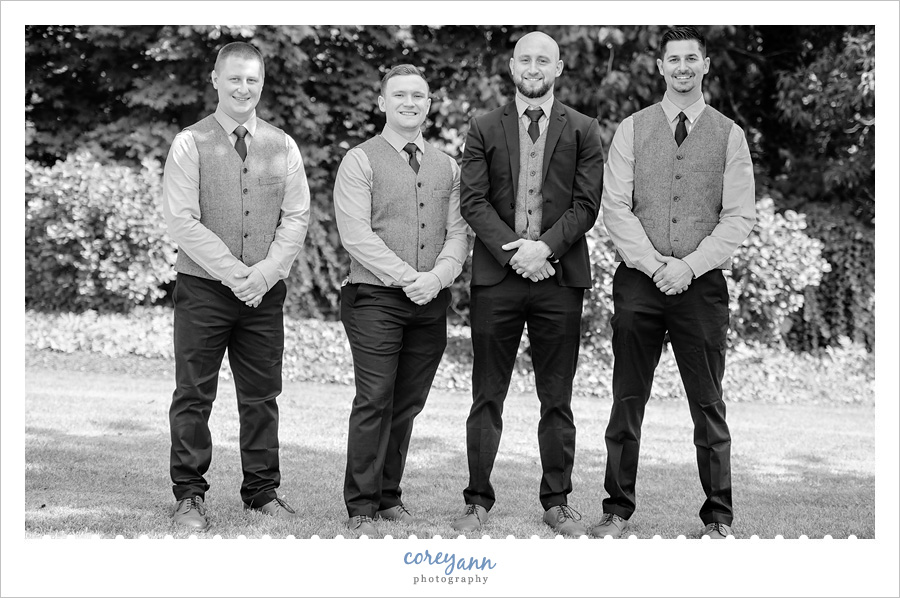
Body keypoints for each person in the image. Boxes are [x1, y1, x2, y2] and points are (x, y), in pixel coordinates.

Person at [592, 26, 756, 539]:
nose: (682, 67)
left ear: (706, 64)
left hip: (702, 286)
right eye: (673, 60)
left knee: (708, 405)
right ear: (660, 68)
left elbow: (738, 217)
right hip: (640, 282)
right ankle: (616, 510)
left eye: (692, 59)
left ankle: (718, 517)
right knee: (626, 400)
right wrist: (655, 263)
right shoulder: (632, 130)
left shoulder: (730, 135)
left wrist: (689, 265)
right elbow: (615, 206)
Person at [450, 31, 604, 537]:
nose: (533, 66)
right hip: (498, 278)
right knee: (486, 394)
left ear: (558, 68)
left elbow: (587, 204)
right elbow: (472, 201)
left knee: (556, 397)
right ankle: (477, 500)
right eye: (525, 59)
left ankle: (557, 501)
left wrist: (546, 250)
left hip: (559, 279)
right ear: (511, 66)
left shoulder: (583, 128)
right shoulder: (483, 125)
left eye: (544, 59)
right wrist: (518, 254)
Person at [162, 41, 310, 530]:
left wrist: (264, 274)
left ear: (261, 84)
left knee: (262, 396)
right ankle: (189, 495)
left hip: (264, 293)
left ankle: (262, 492)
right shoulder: (190, 142)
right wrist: (234, 272)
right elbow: (182, 221)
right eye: (234, 78)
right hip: (203, 288)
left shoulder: (283, 145)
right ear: (215, 80)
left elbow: (296, 216)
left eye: (252, 80)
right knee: (193, 394)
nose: (243, 88)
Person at [333, 64, 470, 538]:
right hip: (373, 297)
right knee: (374, 399)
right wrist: (409, 276)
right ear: (382, 103)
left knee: (408, 403)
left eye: (419, 95)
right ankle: (361, 507)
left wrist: (437, 278)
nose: (410, 102)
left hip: (430, 300)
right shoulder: (360, 160)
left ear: (429, 103)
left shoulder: (449, 166)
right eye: (400, 95)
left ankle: (389, 496)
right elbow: (355, 234)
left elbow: (458, 234)